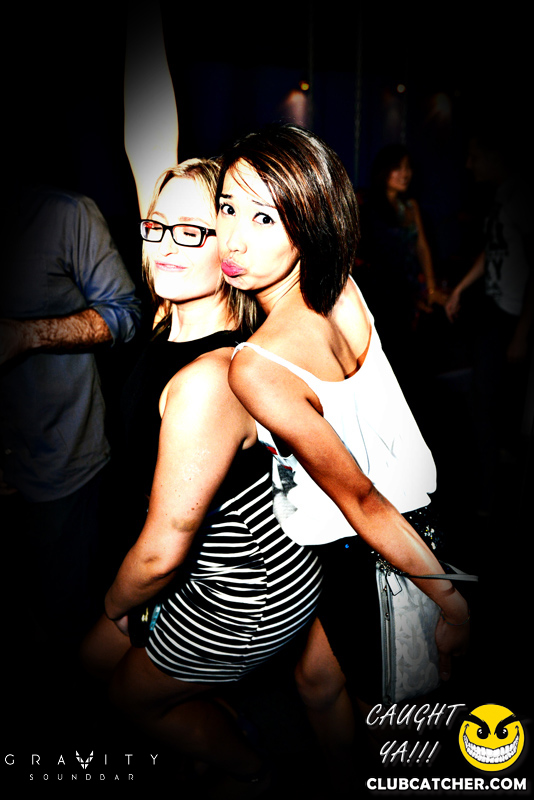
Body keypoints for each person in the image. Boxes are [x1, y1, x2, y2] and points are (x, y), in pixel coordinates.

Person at [82, 8, 322, 794]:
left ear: (232, 248)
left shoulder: (215, 374)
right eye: (156, 226)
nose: (162, 245)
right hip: (192, 569)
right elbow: (145, 142)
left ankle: (253, 772)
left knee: (122, 692)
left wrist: (117, 605)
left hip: (240, 592)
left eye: (193, 231)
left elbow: (163, 551)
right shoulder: (171, 317)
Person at [214, 123, 470, 783]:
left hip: (374, 559)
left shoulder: (257, 366)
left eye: (264, 217)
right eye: (227, 207)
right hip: (401, 531)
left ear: (307, 224)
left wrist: (451, 604)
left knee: (396, 743)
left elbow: (360, 498)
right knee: (316, 680)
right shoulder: (342, 289)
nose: (233, 238)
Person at [0, 184, 142, 645]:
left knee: (66, 613)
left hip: (59, 464)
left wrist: (27, 335)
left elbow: (126, 314)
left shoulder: (67, 213)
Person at [445, 132, 534, 516]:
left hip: (512, 317)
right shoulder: (502, 197)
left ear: (494, 156)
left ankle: (492, 499)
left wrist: (522, 333)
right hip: (496, 311)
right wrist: (461, 288)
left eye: (474, 157)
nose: (469, 166)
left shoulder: (521, 197)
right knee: (484, 402)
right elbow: (494, 248)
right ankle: (490, 486)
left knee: (488, 406)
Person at [358, 144, 446, 388]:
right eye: (398, 167)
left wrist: (430, 288)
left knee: (410, 359)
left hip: (409, 288)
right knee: (386, 353)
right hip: (382, 292)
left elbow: (422, 247)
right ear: (384, 171)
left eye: (408, 168)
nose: (405, 174)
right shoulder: (367, 205)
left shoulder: (410, 206)